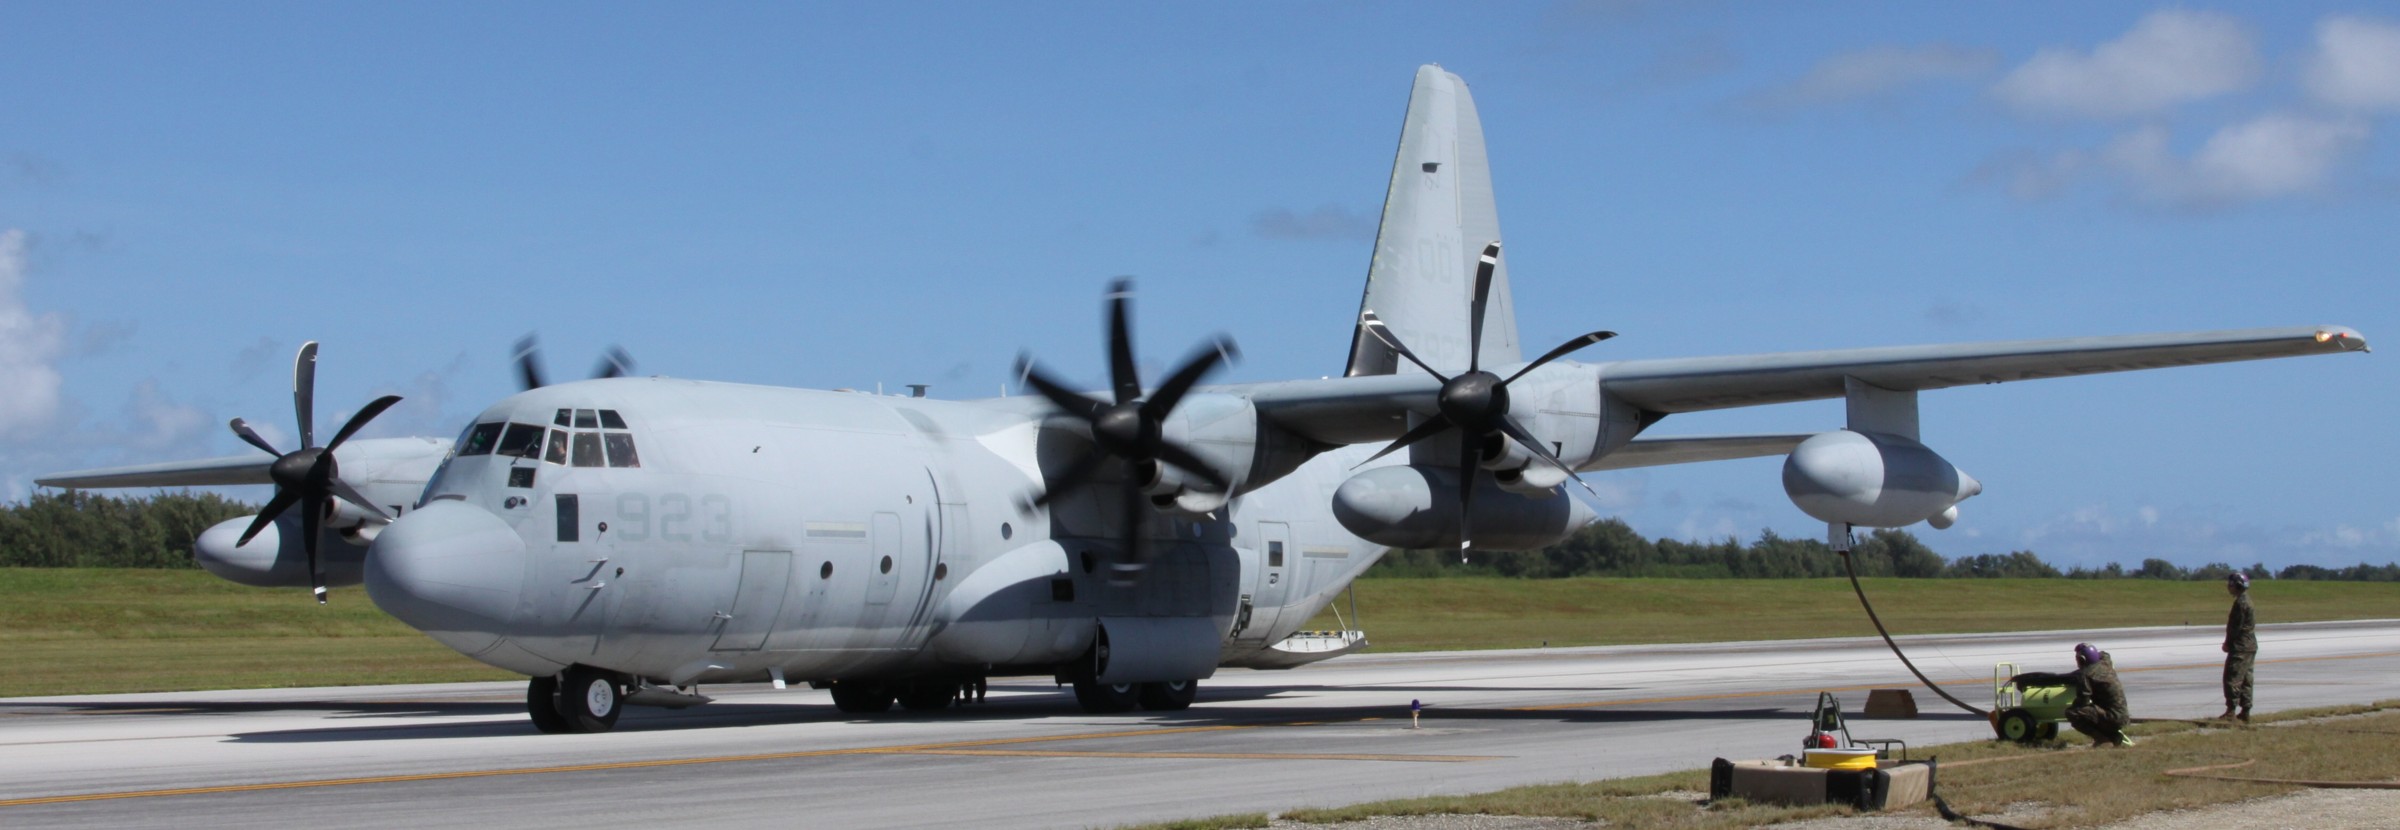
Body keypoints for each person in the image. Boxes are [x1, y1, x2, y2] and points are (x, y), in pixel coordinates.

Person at [2011, 642, 2132, 746]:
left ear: (2083, 660)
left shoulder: (2086, 675)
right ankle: (2113, 736)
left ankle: (2102, 739)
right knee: (2089, 711)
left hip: (2112, 717)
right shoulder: (2106, 662)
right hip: (2122, 716)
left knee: (2073, 712)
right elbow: (2104, 654)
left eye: (2077, 659)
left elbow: (2083, 700)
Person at [2221, 571, 2256, 722]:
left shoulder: (2241, 603)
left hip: (2240, 646)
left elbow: (2235, 627)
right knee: (2246, 680)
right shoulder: (2246, 600)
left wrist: (2228, 642)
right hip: (2249, 645)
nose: (2229, 587)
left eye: (2231, 584)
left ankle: (2231, 711)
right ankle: (2245, 711)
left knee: (2232, 678)